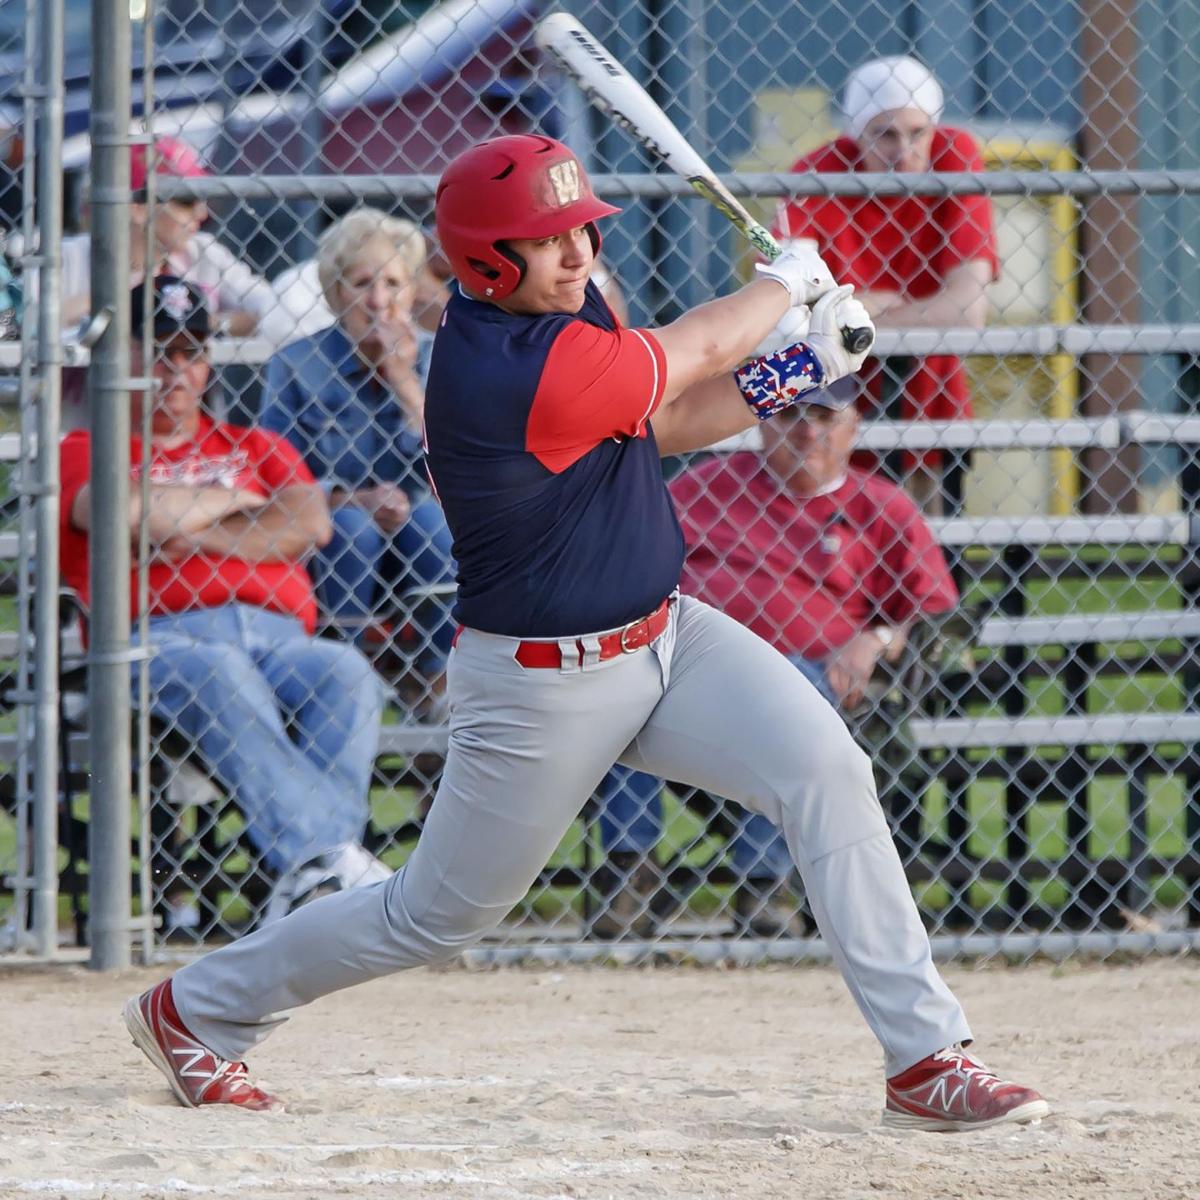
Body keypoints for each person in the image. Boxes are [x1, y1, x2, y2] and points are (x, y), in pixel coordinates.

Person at [121, 135, 1047, 1131]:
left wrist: (793, 370)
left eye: (579, 235)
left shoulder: (569, 306)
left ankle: (925, 1057)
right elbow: (692, 349)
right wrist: (786, 287)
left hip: (668, 638)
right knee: (435, 915)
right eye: (548, 241)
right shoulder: (506, 370)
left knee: (827, 768)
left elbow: (666, 417)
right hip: (539, 689)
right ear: (484, 263)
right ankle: (197, 1009)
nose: (576, 255)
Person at [60, 277, 390, 925]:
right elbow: (121, 510)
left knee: (346, 673)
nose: (174, 368)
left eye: (189, 351)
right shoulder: (86, 448)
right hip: (153, 642)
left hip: (279, 642)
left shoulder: (257, 446)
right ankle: (331, 872)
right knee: (220, 671)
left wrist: (184, 526)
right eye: (156, 349)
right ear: (120, 355)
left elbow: (309, 522)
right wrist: (242, 507)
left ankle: (315, 875)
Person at [595, 381, 960, 938]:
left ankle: (766, 884)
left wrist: (878, 638)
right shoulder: (706, 488)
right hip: (690, 668)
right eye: (789, 415)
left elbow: (938, 615)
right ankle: (629, 873)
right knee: (624, 687)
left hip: (811, 679)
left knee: (789, 691)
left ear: (852, 426)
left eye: (823, 415)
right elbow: (633, 564)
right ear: (763, 421)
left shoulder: (879, 506)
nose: (807, 430)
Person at [773, 55, 998, 513]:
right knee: (840, 527)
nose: (904, 150)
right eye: (885, 134)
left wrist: (849, 313)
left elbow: (967, 310)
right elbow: (780, 303)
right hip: (831, 392)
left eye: (918, 133)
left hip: (929, 391)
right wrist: (871, 307)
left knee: (930, 537)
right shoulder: (818, 171)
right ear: (857, 135)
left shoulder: (954, 155)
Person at [258, 208, 456, 704]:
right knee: (354, 531)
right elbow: (273, 475)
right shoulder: (296, 364)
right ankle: (347, 681)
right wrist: (350, 498)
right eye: (361, 283)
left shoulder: (445, 356)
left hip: (425, 529)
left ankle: (438, 685)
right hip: (333, 538)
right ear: (335, 293)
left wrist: (405, 380)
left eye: (393, 283)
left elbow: (464, 470)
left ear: (413, 291)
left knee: (430, 522)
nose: (378, 301)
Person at [37, 138, 291, 343]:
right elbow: (26, 329)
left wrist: (206, 322)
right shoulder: (68, 257)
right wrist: (121, 307)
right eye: (185, 201)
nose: (202, 214)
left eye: (202, 199)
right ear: (137, 207)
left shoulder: (201, 251)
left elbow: (274, 308)